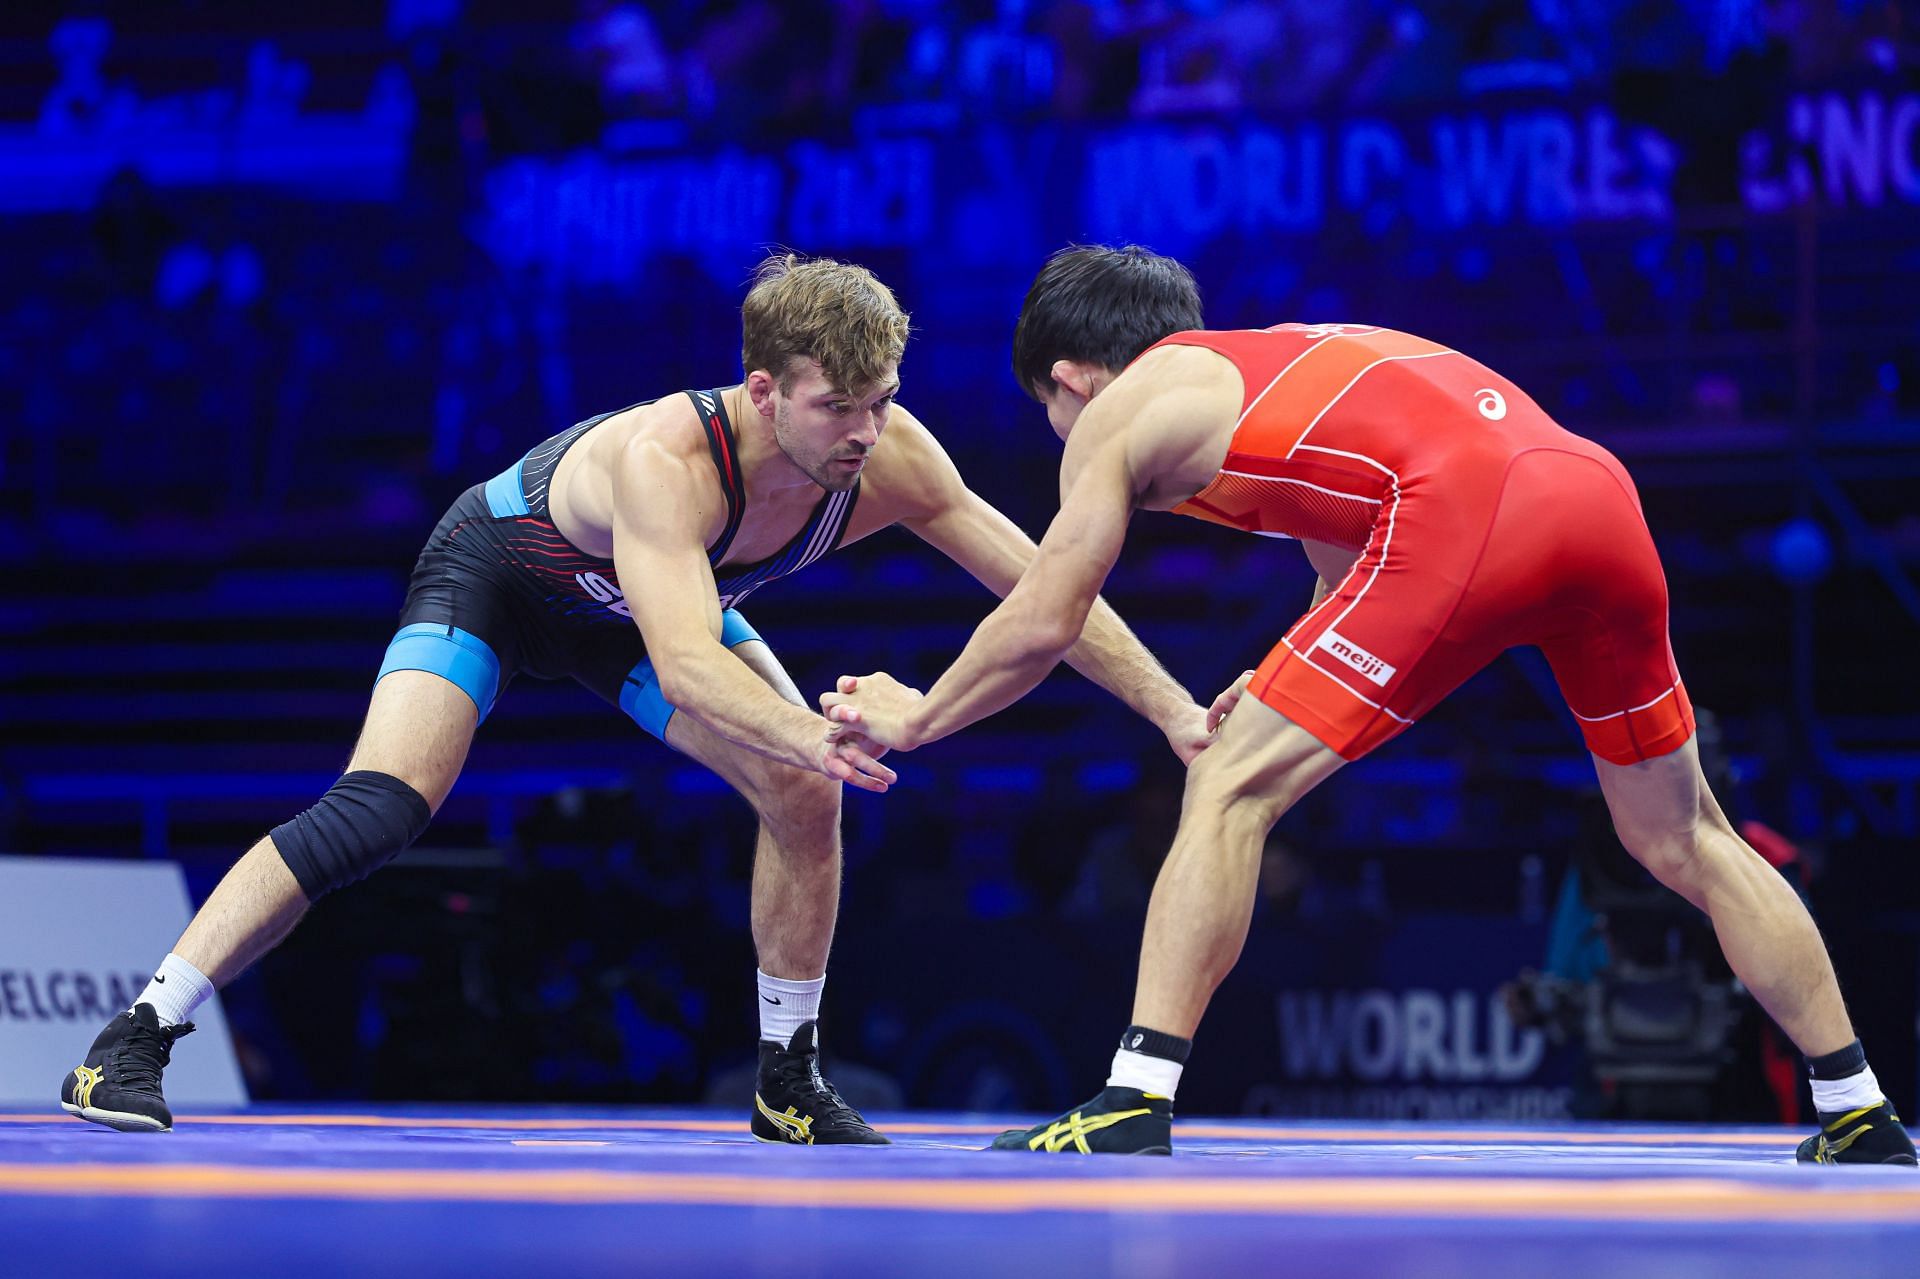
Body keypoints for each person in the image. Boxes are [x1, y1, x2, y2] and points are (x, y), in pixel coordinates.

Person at [61, 253, 1208, 1142]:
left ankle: (787, 1076)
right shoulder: (669, 459)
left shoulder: (892, 454)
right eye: (836, 410)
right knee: (384, 803)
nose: (864, 433)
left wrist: (1172, 708)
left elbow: (1048, 589)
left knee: (808, 792)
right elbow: (692, 659)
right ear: (764, 391)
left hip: (643, 610)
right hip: (505, 574)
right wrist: (812, 726)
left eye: (881, 401)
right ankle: (134, 1033)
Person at [820, 244, 1916, 1165]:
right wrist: (1289, 662)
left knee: (1227, 785)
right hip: (1596, 498)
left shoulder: (1121, 411)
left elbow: (1047, 613)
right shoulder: (1284, 359)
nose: (1063, 437)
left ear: (1071, 377)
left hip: (1467, 512)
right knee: (1683, 833)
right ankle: (1858, 1107)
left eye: (1049, 414)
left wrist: (920, 716)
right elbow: (1347, 550)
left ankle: (1133, 1097)